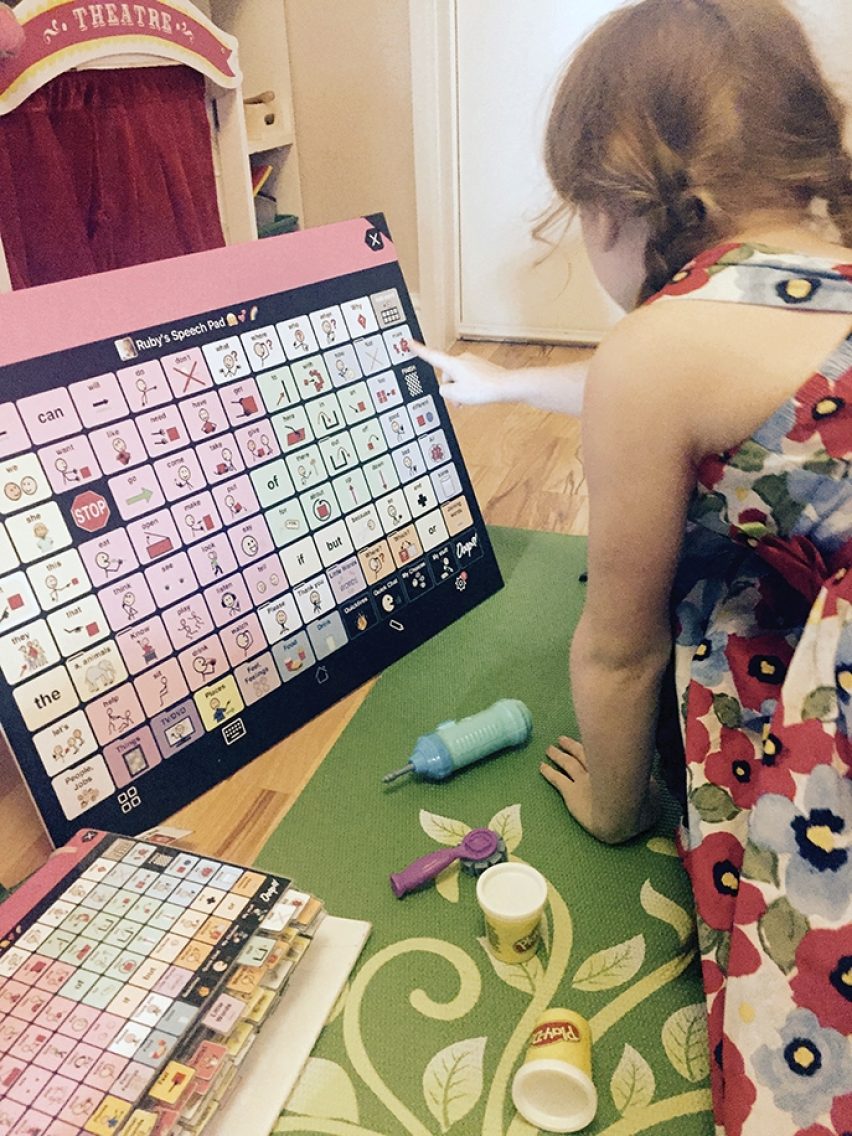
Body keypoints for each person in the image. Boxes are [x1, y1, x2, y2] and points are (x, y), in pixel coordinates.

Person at [415, 2, 852, 1132]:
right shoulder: (819, 261)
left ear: (621, 208)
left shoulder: (655, 350)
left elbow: (619, 645)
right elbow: (735, 411)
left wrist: (618, 806)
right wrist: (509, 382)